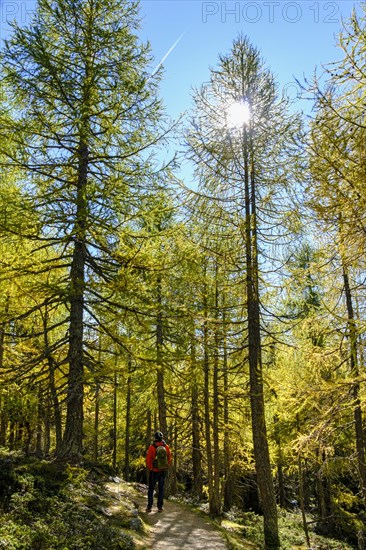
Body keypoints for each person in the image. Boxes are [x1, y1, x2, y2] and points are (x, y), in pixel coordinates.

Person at [146, 431, 172, 512]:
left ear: (155, 438)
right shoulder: (166, 446)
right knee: (161, 489)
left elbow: (148, 459)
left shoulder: (152, 447)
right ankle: (160, 507)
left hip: (154, 471)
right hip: (163, 471)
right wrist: (166, 466)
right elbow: (169, 458)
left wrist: (151, 468)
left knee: (151, 489)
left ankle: (149, 507)